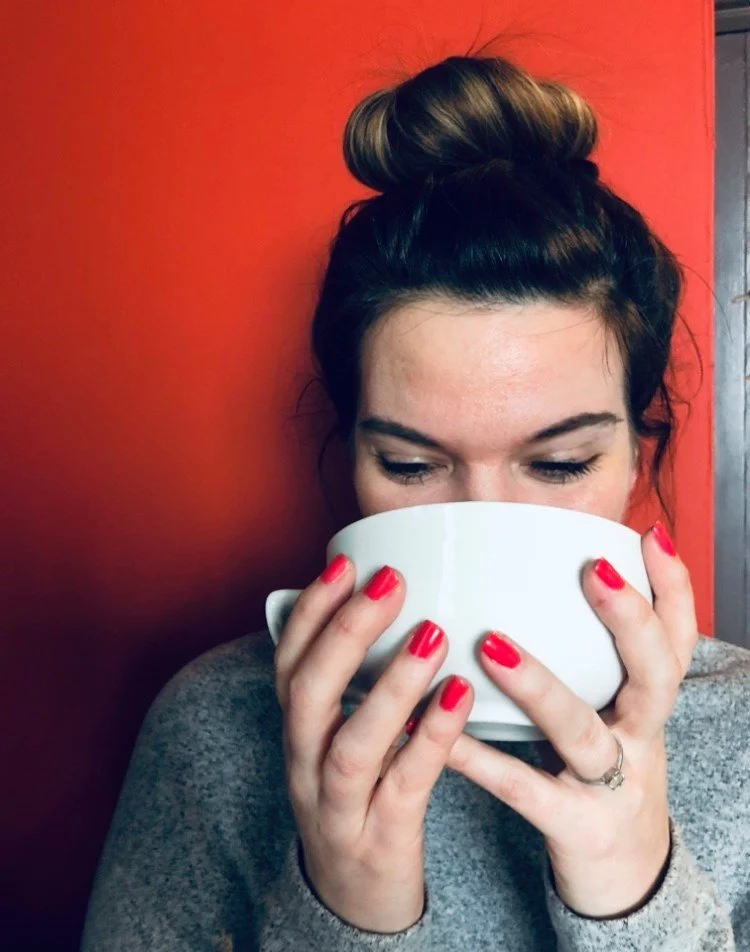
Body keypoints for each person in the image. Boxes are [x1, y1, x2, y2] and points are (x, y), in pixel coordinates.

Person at [81, 53, 750, 951]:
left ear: (638, 456)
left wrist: (638, 900)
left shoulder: (740, 735)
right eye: (408, 463)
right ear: (349, 453)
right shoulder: (216, 725)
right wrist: (344, 912)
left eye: (557, 464)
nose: (487, 516)